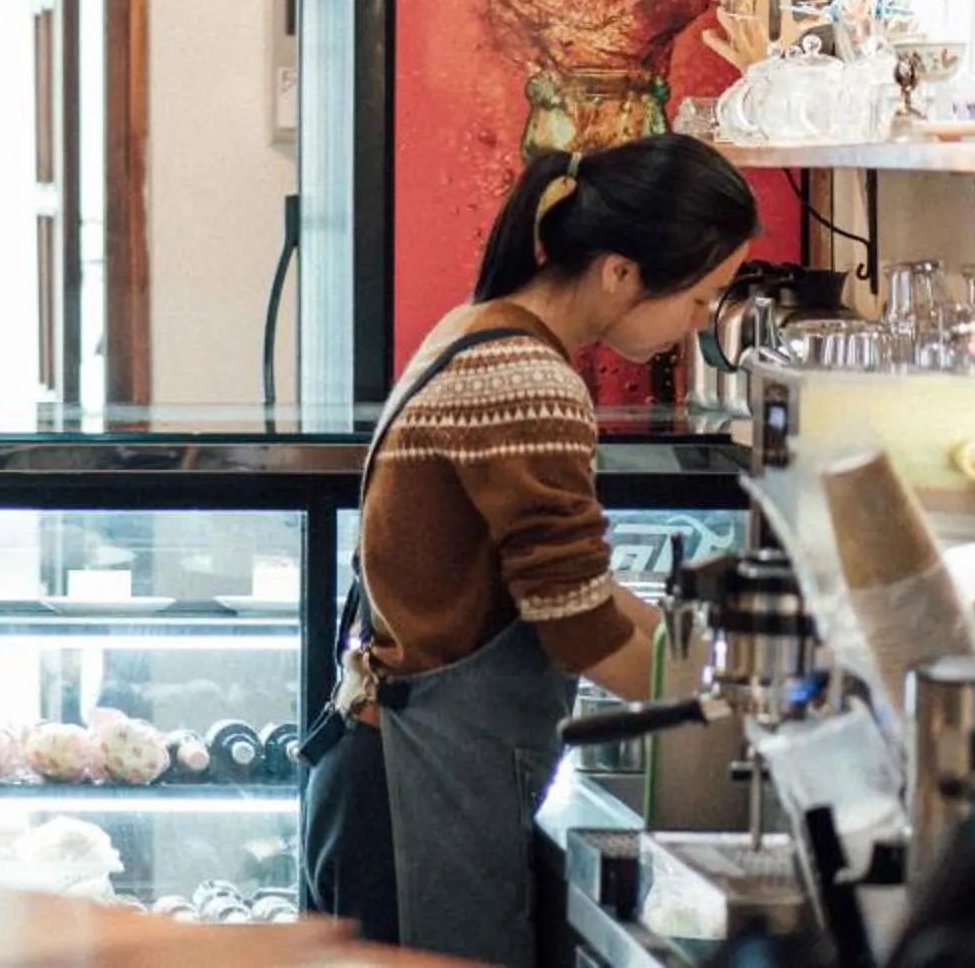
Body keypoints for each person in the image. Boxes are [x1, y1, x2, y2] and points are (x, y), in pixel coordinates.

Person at [300, 134, 757, 966]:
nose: (697, 327)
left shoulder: (482, 329)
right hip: (418, 796)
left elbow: (578, 587)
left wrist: (712, 677)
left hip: (390, 774)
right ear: (620, 271)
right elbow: (578, 630)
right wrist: (740, 722)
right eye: (701, 298)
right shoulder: (528, 379)